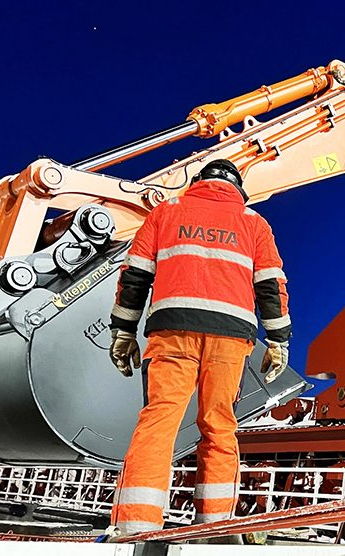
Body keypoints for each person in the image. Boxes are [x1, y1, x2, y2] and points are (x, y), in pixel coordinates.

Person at [107, 159, 291, 535]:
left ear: (197, 182)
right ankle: (215, 523)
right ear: (237, 187)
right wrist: (279, 341)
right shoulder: (254, 223)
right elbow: (270, 285)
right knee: (220, 425)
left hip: (173, 332)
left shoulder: (165, 213)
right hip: (230, 338)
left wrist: (123, 331)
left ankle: (135, 525)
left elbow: (135, 276)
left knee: (159, 421)